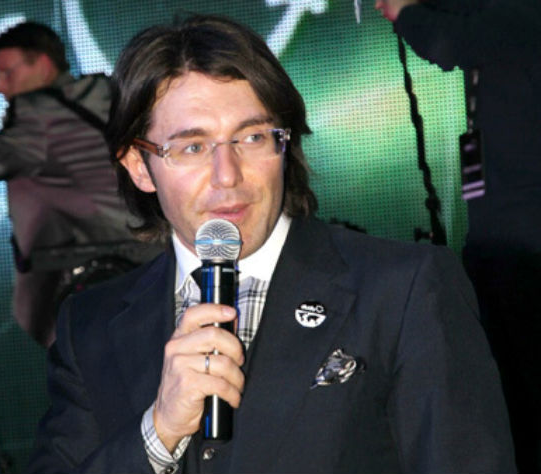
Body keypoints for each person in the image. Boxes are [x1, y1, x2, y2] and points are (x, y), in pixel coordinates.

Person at [27, 14, 515, 473]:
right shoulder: (88, 326)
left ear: (285, 143)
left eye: (253, 138)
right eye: (193, 147)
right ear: (139, 166)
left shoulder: (403, 290)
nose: (227, 175)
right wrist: (158, 433)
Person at [0, 22, 160, 347]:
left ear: (42, 65)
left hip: (90, 275)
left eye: (6, 73)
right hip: (153, 259)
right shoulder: (110, 97)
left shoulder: (42, 118)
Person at [375, 1, 541, 471]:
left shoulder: (517, 18)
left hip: (522, 237)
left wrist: (406, 12)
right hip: (499, 230)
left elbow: (448, 41)